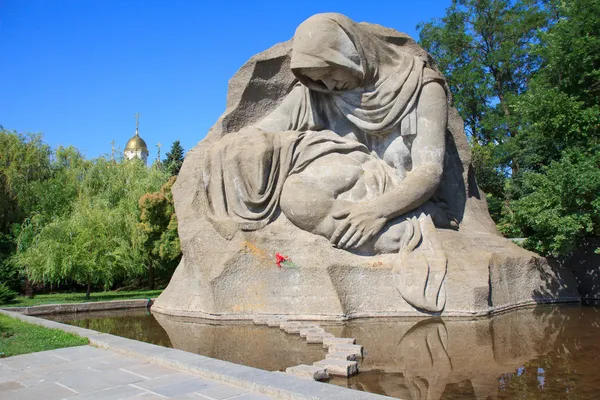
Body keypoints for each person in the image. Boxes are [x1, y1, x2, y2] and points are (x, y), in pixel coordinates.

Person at [202, 13, 451, 311]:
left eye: (331, 74)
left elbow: (429, 171)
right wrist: (236, 146)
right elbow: (267, 127)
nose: (329, 87)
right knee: (296, 193)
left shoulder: (423, 88)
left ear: (350, 54)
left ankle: (391, 232)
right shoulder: (317, 93)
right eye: (318, 80)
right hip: (347, 184)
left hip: (395, 195)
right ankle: (364, 235)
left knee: (302, 192)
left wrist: (375, 212)